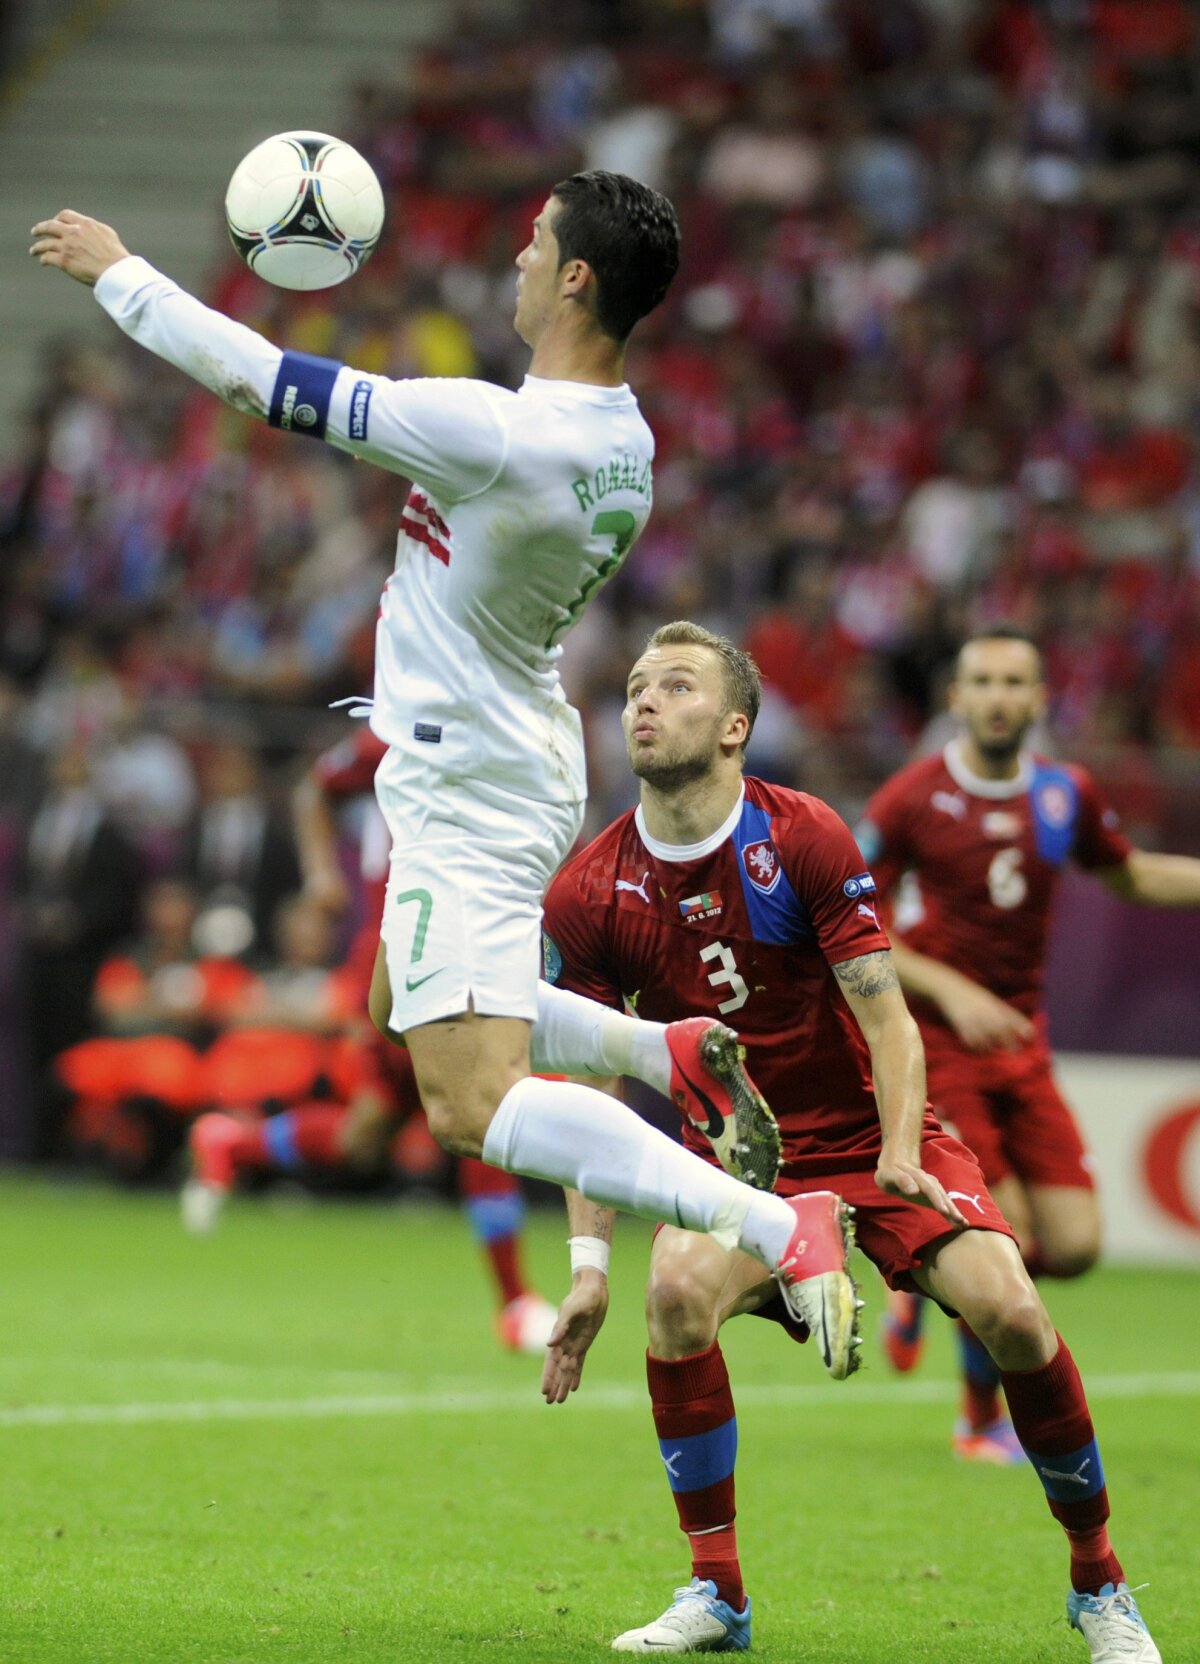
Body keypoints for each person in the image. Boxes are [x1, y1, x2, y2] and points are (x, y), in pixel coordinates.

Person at [31, 179, 864, 1372]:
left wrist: (119, 270)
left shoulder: (497, 433)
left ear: (576, 277)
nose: (515, 258)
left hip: (465, 773)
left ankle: (779, 1226)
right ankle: (660, 1050)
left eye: (533, 242)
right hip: (514, 744)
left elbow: (259, 382)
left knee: (469, 1102)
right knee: (392, 1004)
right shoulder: (627, 442)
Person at [536, 621, 1159, 1662]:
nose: (644, 699)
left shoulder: (803, 835)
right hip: (737, 1162)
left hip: (873, 1136)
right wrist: (587, 1265)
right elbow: (587, 1097)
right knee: (673, 1297)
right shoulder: (590, 888)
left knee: (1014, 1311)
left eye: (677, 685)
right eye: (638, 683)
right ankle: (717, 1592)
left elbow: (889, 1020)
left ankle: (1100, 1584)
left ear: (734, 727)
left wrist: (902, 1151)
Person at [859, 625, 1200, 1468]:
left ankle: (920, 1281)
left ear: (1041, 699)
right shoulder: (911, 798)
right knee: (1001, 1234)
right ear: (956, 697)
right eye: (982, 681)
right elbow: (857, 925)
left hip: (1023, 1043)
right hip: (939, 1046)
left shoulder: (1062, 793)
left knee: (1073, 1247)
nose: (998, 697)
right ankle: (979, 1420)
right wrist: (952, 989)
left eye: (1015, 682)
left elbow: (1130, 874)